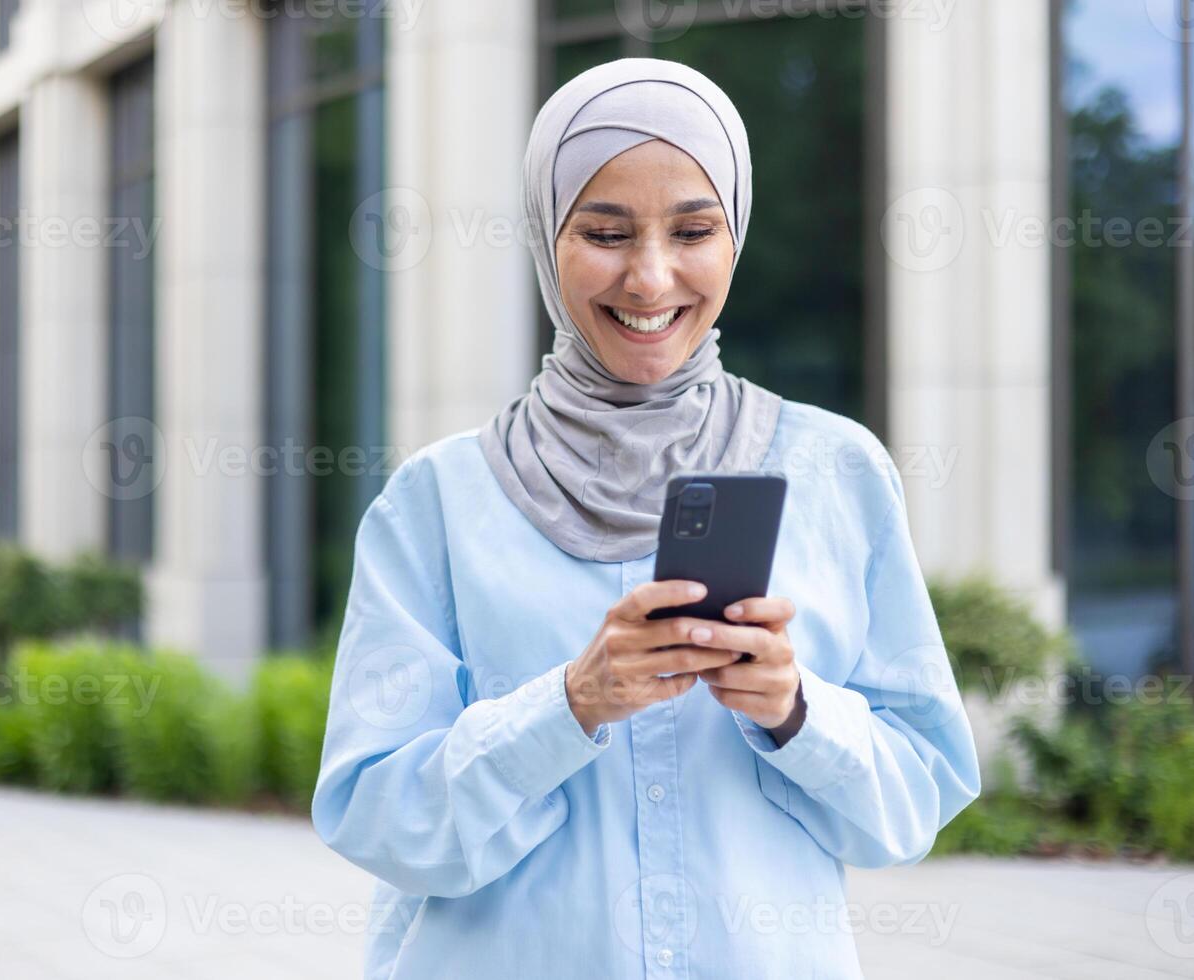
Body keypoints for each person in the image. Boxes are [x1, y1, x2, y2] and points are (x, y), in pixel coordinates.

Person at [312, 56, 980, 979]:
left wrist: (796, 711)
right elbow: (372, 813)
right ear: (549, 235)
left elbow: (914, 804)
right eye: (606, 230)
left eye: (693, 229)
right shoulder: (435, 503)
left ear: (734, 235)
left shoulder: (838, 473)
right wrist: (568, 705)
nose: (651, 277)